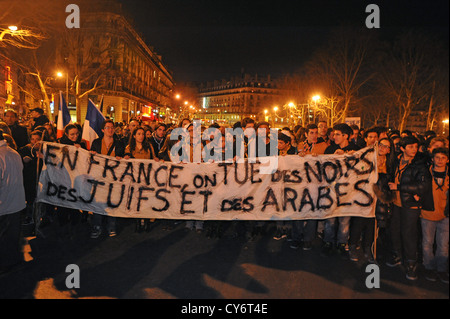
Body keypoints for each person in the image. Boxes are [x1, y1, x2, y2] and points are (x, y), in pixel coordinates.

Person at [387, 135, 433, 280]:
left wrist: (399, 187)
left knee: (409, 235)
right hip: (396, 204)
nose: (414, 149)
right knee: (394, 231)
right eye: (410, 147)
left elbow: (423, 186)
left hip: (410, 205)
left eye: (415, 147)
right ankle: (397, 256)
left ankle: (411, 264)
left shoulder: (419, 165)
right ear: (402, 148)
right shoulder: (396, 161)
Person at [348, 137, 393, 263]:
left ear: (389, 150)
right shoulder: (367, 157)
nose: (383, 148)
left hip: (378, 198)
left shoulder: (389, 163)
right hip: (364, 195)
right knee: (359, 222)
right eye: (381, 145)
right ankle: (353, 246)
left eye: (387, 146)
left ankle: (368, 249)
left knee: (371, 225)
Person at [322, 123, 360, 258]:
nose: (334, 136)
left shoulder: (356, 150)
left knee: (344, 219)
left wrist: (347, 156)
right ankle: (328, 241)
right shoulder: (330, 149)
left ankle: (342, 243)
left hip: (348, 192)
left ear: (346, 136)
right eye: (334, 134)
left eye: (338, 134)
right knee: (330, 218)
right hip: (331, 190)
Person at [89, 119, 125, 238]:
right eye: (108, 127)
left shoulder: (119, 143)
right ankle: (97, 226)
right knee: (98, 202)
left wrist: (124, 157)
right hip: (99, 177)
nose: (110, 130)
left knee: (112, 202)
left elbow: (123, 157)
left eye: (112, 127)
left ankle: (111, 226)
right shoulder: (96, 142)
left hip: (113, 178)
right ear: (103, 130)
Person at [419, 147, 449, 283]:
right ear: (432, 159)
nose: (440, 160)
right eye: (437, 157)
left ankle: (441, 270)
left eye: (443, 158)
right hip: (427, 212)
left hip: (446, 214)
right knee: (427, 243)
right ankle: (429, 268)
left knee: (443, 245)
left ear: (447, 160)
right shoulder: (425, 173)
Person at [0, 129, 26, 275]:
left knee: (4, 239)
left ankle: (6, 265)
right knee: (12, 237)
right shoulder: (14, 153)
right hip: (16, 203)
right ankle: (13, 261)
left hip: (4, 204)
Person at [124, 126, 158, 232]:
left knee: (146, 201)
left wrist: (156, 159)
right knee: (136, 202)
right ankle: (138, 223)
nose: (141, 136)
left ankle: (146, 222)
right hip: (135, 179)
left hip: (147, 178)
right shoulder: (129, 148)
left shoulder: (149, 146)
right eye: (138, 134)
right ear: (134, 136)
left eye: (142, 134)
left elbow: (153, 158)